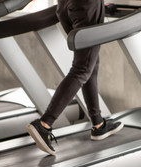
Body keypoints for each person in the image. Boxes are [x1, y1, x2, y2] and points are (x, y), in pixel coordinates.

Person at [26, 0, 123, 156]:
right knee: (82, 68)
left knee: (90, 63)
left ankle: (98, 124)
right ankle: (44, 124)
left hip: (65, 6)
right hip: (86, 6)